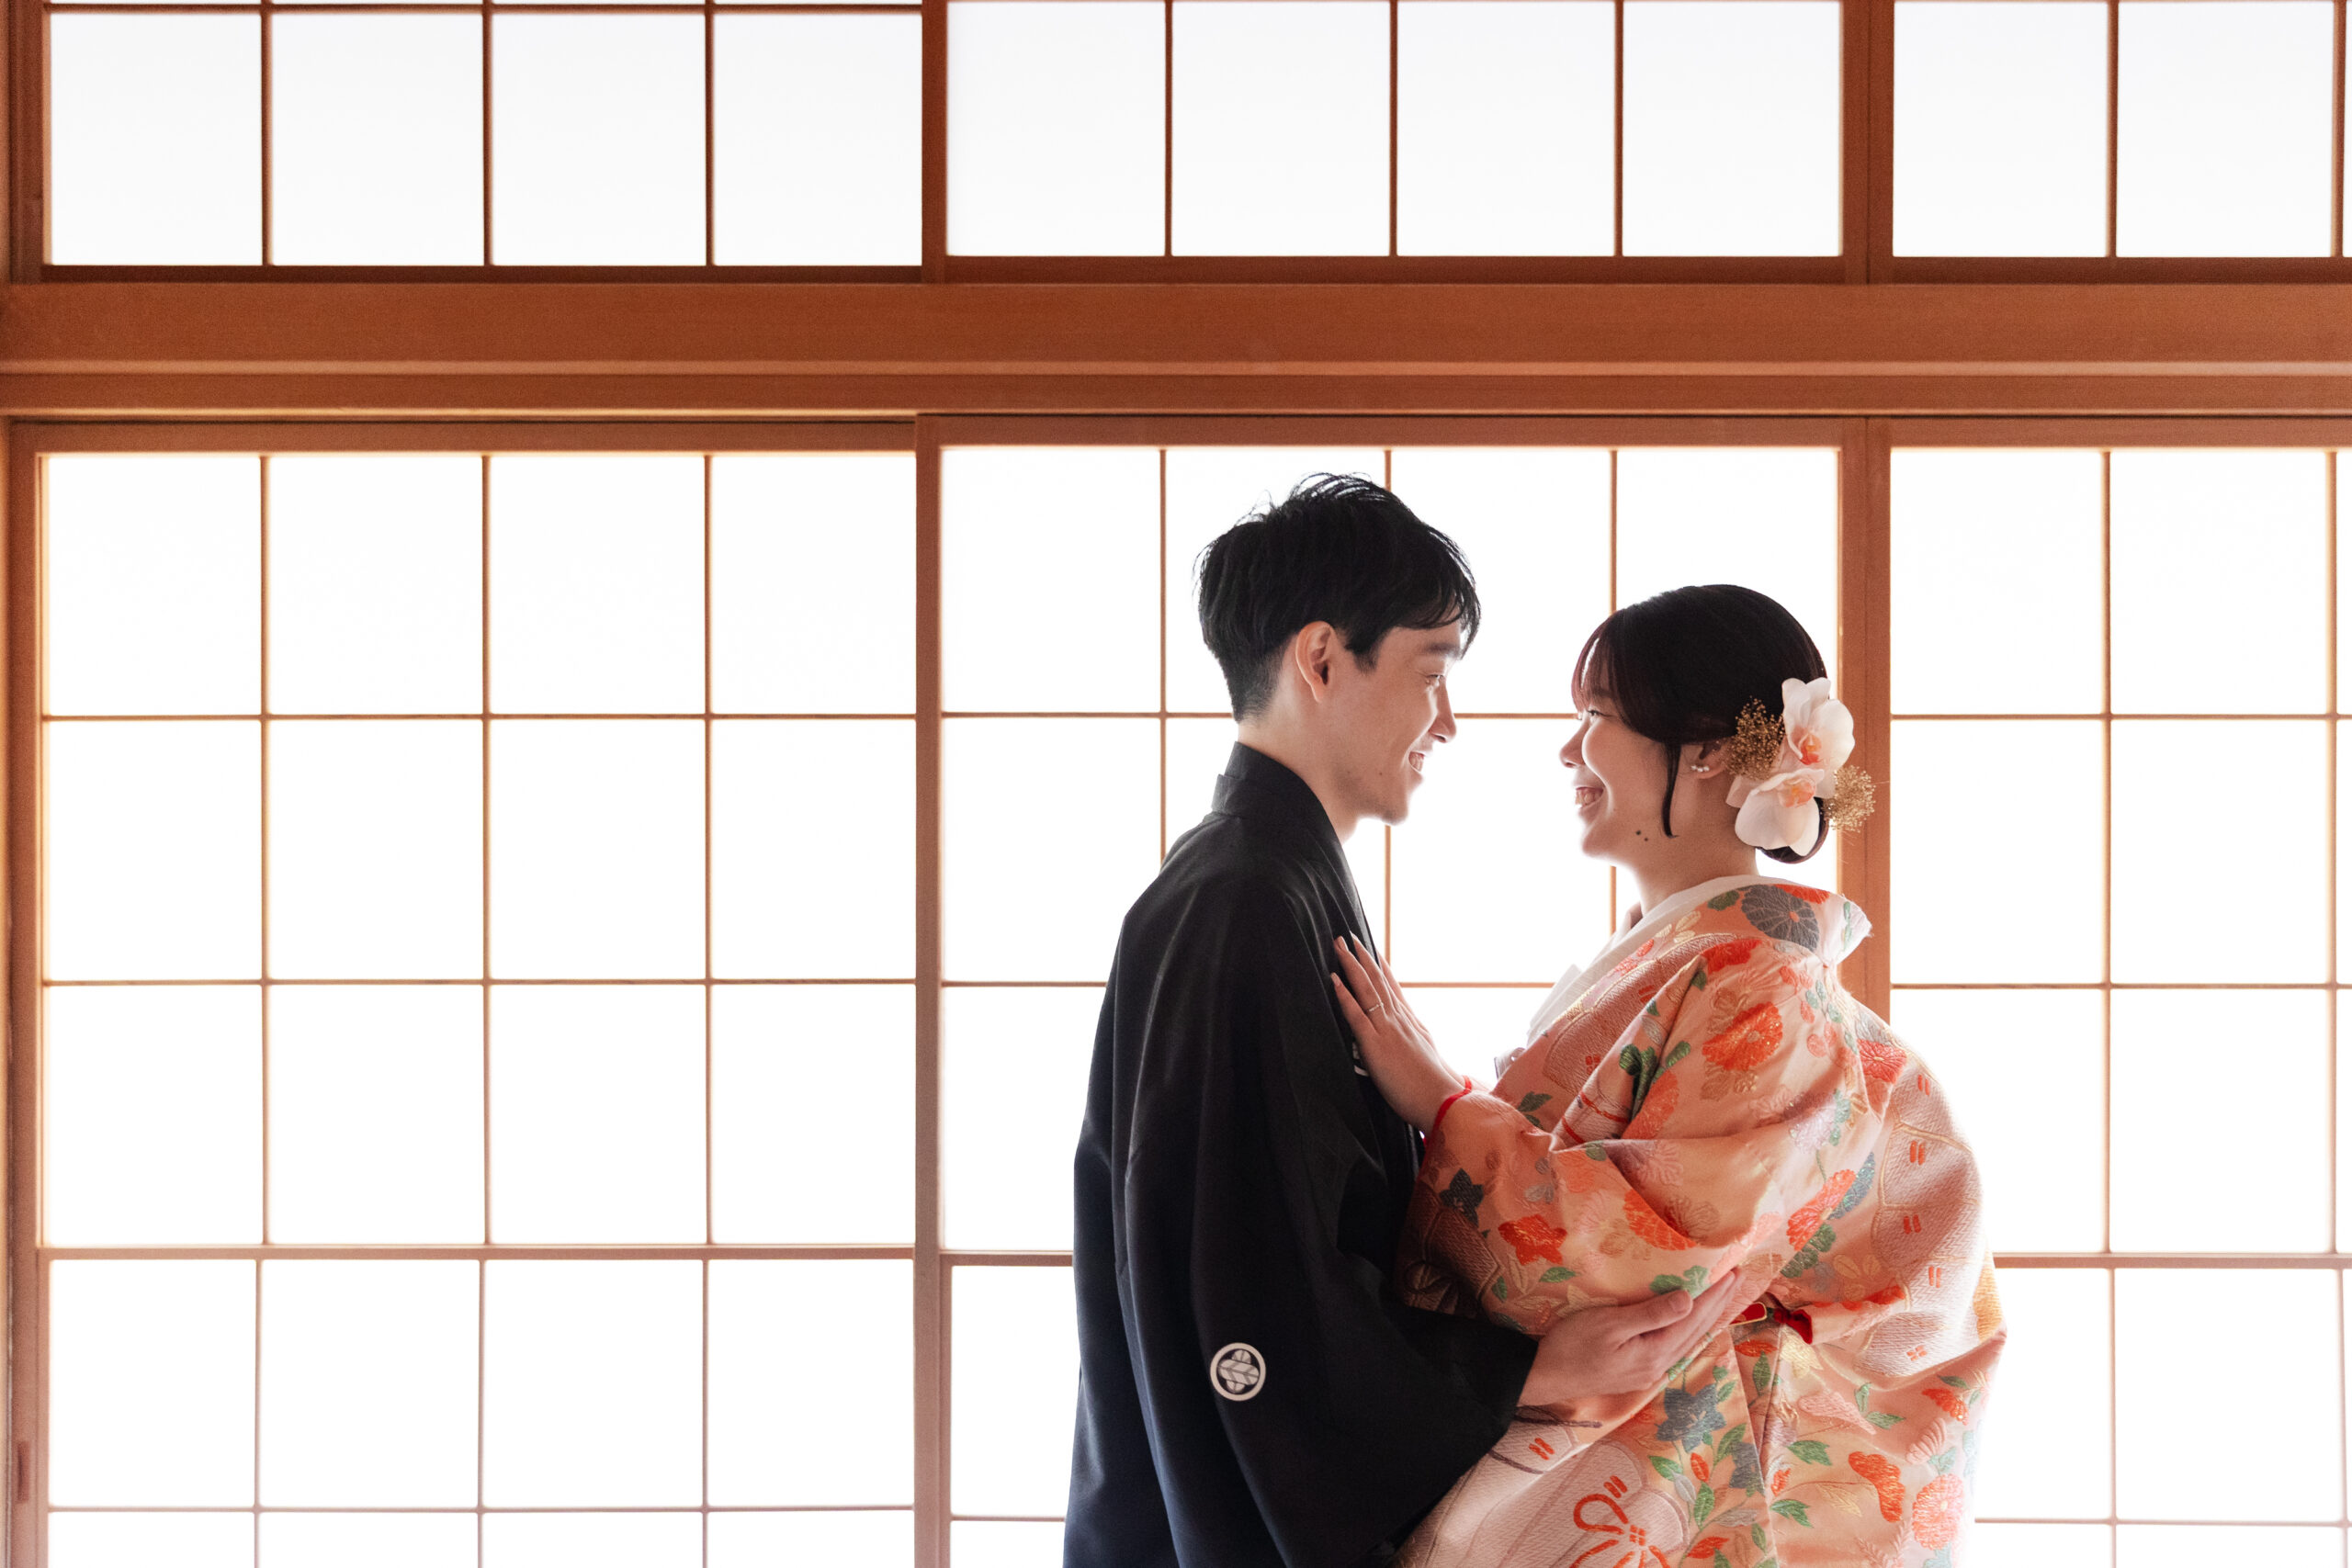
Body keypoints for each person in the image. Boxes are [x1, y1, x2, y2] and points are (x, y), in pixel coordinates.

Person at [1067, 480, 1750, 1568]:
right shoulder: (1241, 901)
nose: (1447, 721)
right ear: (1321, 659)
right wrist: (1524, 1373)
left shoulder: (1264, 880)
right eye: (1431, 673)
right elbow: (1255, 1281)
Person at [1331, 584, 2004, 1568]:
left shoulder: (1764, 986)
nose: (1570, 751)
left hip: (1719, 1471)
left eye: (1597, 716)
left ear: (1709, 754)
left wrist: (1443, 1103)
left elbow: (1652, 1265)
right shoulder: (1699, 961)